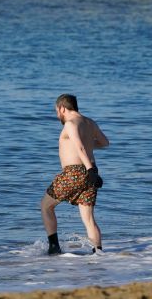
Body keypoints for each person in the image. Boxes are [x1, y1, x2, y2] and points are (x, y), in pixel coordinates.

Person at [40, 93, 110, 255]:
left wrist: (89, 169)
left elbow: (79, 148)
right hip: (90, 172)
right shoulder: (90, 122)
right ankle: (98, 253)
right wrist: (91, 167)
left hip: (74, 173)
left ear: (62, 108)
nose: (58, 115)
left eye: (57, 111)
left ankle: (54, 248)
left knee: (45, 206)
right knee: (89, 219)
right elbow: (105, 143)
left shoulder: (70, 124)